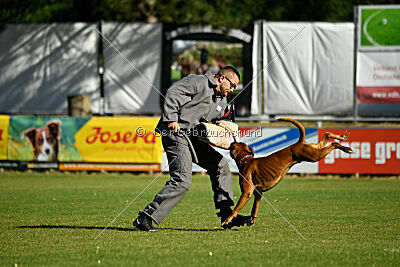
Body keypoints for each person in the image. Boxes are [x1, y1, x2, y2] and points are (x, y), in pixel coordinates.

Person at [133, 66, 243, 231]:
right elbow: (172, 93)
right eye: (231, 85)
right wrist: (171, 119)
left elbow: (215, 122)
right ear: (221, 78)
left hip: (194, 138)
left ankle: (227, 215)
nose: (232, 89)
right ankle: (146, 217)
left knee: (221, 165)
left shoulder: (222, 100)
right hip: (175, 133)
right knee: (182, 181)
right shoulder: (199, 82)